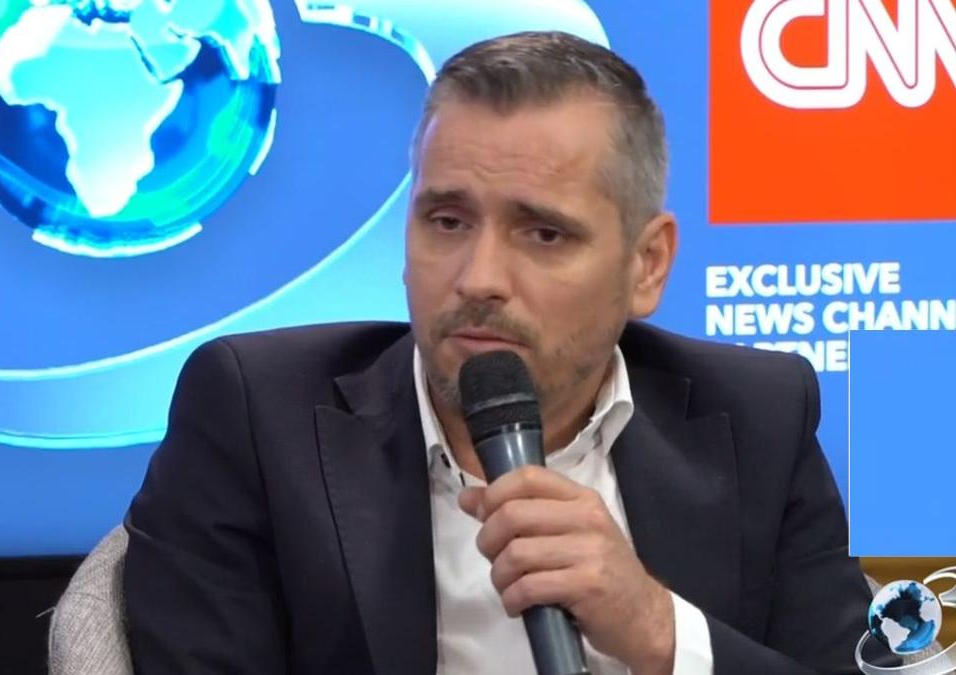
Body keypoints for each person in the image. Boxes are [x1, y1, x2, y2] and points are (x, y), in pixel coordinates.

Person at [123, 31, 882, 674]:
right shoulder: (257, 416)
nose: (478, 277)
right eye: (447, 221)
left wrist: (658, 630)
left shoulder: (757, 415)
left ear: (646, 265)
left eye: (543, 233)